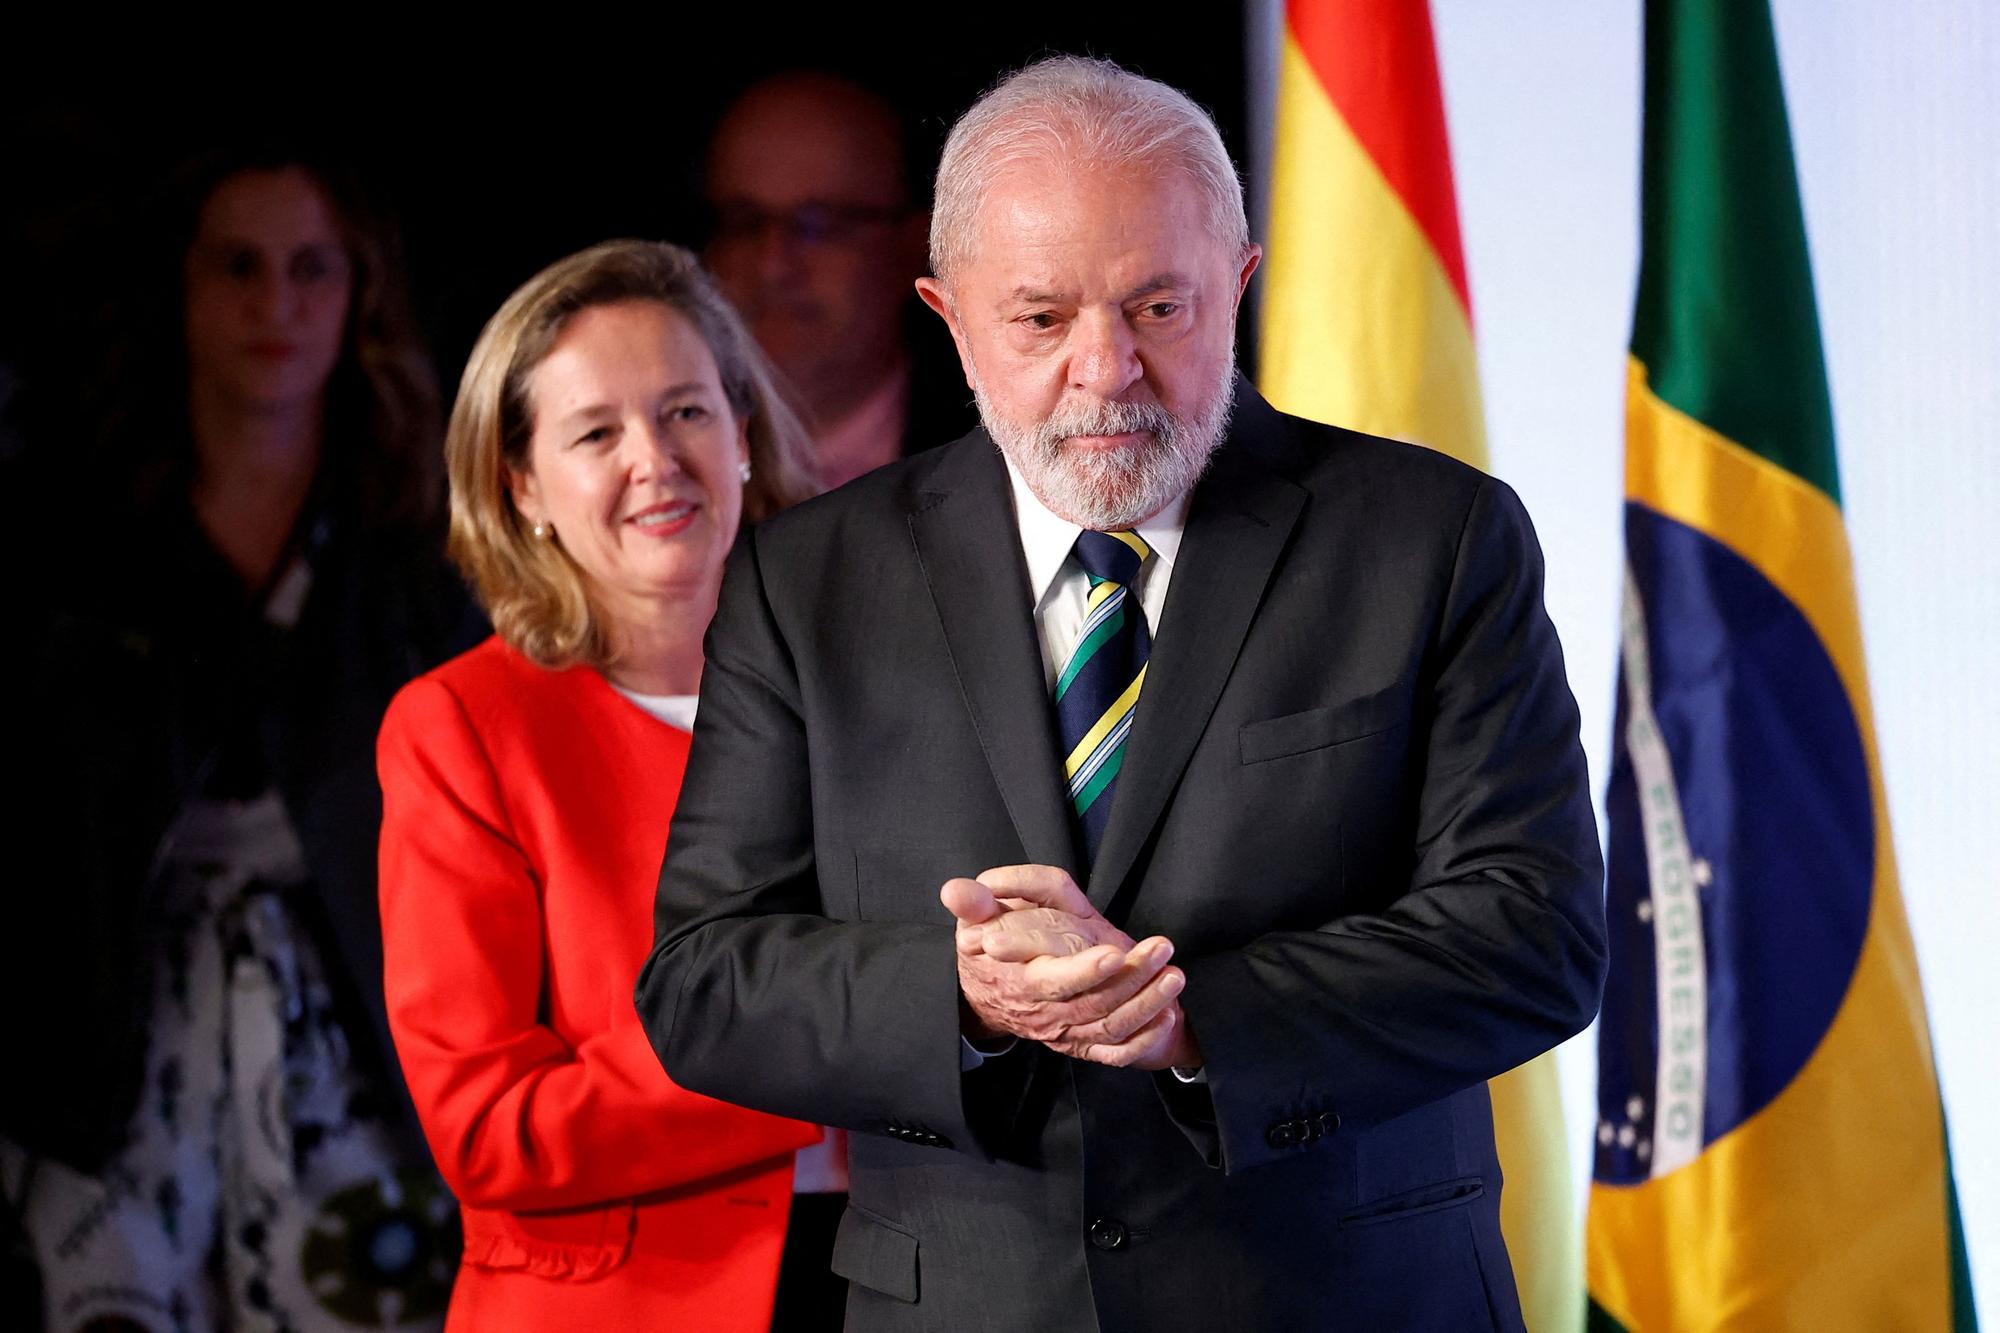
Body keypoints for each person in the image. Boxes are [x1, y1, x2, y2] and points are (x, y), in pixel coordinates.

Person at [635, 56, 1607, 1331]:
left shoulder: (1432, 538)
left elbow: (1534, 935)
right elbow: (703, 979)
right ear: (946, 312)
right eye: (1041, 320)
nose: (1106, 371)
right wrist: (965, 997)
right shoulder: (805, 582)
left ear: (1240, 284)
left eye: (1158, 306)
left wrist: (1192, 1018)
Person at [2, 150, 472, 1331]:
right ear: (184, 288)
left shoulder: (417, 546)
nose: (276, 307)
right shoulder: (78, 537)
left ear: (357, 290)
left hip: (363, 1047)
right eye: (239, 269)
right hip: (109, 1049)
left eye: (312, 270)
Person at [374, 240, 831, 1331]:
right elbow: (487, 1127)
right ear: (522, 484)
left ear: (743, 433)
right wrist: (821, 1049)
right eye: (595, 433)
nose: (654, 460)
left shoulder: (885, 679)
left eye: (684, 412)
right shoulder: (463, 730)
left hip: (911, 1278)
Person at [703, 71, 975, 489]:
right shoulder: (667, 458)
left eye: (821, 225)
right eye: (745, 223)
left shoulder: (989, 453)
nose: (774, 266)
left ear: (914, 244)